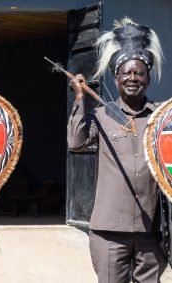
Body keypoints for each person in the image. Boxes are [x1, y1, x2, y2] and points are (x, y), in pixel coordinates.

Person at [67, 17, 168, 282]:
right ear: (116, 77)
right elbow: (76, 143)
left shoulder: (162, 119)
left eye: (139, 73)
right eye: (127, 72)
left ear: (147, 77)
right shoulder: (102, 116)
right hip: (109, 232)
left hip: (152, 231)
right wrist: (79, 100)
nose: (133, 78)